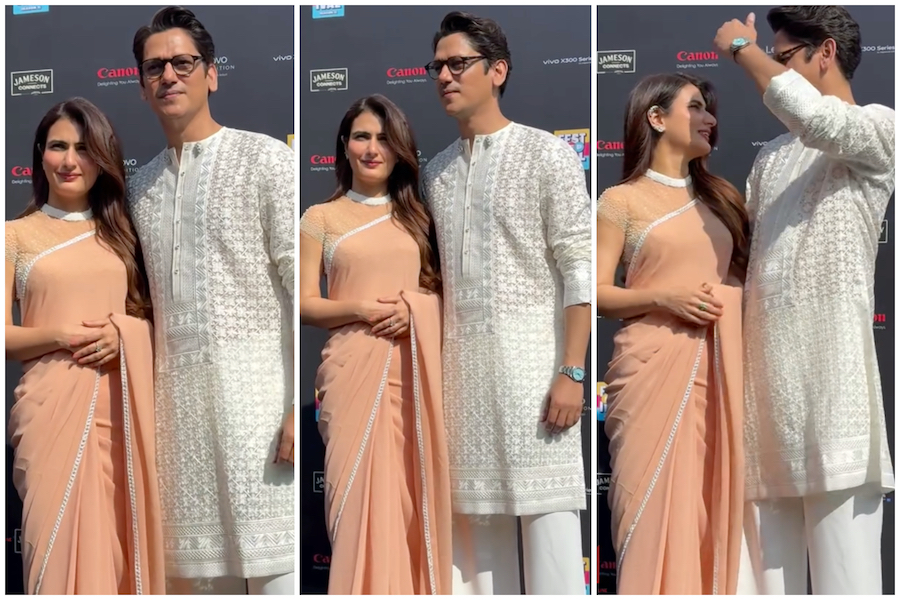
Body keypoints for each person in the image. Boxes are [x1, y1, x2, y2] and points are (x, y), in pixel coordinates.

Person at [714, 6, 895, 595]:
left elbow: (819, 120)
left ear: (826, 53)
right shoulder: (770, 158)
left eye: (783, 55)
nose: (773, 66)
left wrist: (742, 49)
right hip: (765, 396)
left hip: (835, 393)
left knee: (849, 580)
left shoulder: (878, 127)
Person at [126, 7, 295, 594]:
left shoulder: (266, 159)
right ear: (142, 86)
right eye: (155, 68)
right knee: (193, 580)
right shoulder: (139, 188)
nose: (168, 75)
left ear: (212, 74)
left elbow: (299, 288)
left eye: (182, 62)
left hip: (262, 414)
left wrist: (296, 408)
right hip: (176, 424)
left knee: (277, 571)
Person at [422, 11, 591, 595]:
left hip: (539, 381)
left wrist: (572, 372)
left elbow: (579, 270)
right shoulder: (436, 173)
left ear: (498, 71)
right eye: (438, 67)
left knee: (553, 547)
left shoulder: (547, 154)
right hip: (462, 386)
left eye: (458, 64)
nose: (445, 76)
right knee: (472, 555)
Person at [596, 73, 749, 595]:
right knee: (646, 513)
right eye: (696, 107)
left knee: (708, 512)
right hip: (648, 372)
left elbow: (745, 284)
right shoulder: (621, 201)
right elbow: (596, 293)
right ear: (656, 118)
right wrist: (665, 297)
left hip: (718, 376)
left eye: (710, 109)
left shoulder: (724, 200)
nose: (710, 119)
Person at [5, 98, 165, 594]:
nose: (70, 161)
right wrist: (58, 336)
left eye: (84, 148)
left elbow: (158, 322)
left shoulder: (126, 237)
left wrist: (125, 334)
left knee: (117, 551)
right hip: (48, 410)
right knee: (50, 551)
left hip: (120, 415)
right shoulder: (14, 237)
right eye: (58, 147)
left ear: (102, 159)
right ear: (40, 155)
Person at [300, 94, 453, 595]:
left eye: (384, 139)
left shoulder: (422, 220)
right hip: (350, 375)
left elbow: (445, 298)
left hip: (414, 380)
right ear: (344, 145)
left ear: (400, 149)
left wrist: (416, 310)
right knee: (352, 506)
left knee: (409, 504)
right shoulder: (320, 219)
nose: (372, 149)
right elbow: (305, 304)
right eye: (362, 137)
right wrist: (361, 309)